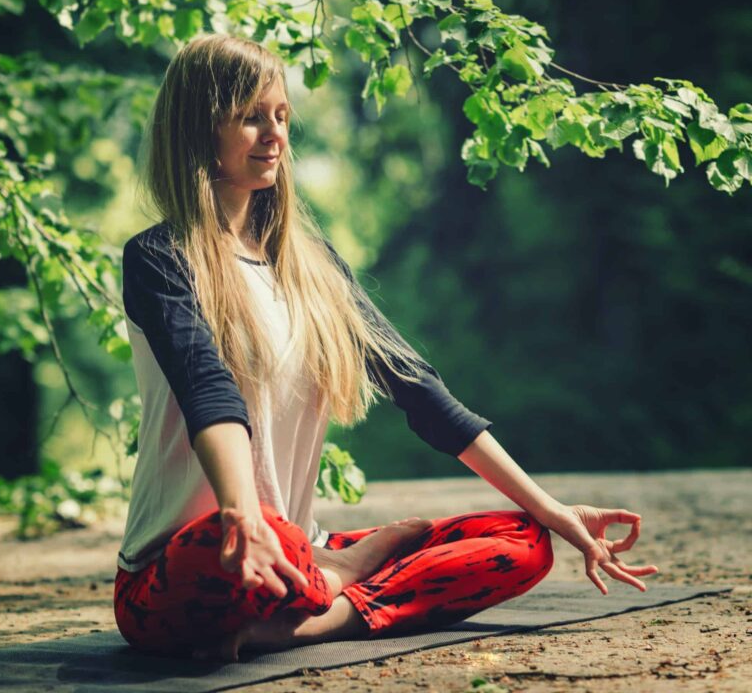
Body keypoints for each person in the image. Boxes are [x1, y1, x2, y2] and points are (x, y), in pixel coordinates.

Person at [113, 33, 658, 662]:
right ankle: (339, 576)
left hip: (296, 553)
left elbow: (421, 393)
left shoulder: (312, 270)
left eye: (282, 117)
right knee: (246, 547)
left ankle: (316, 614)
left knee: (521, 542)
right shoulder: (160, 258)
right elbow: (208, 389)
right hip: (184, 572)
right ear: (198, 127)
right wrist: (244, 518)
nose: (274, 136)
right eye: (251, 118)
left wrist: (554, 510)